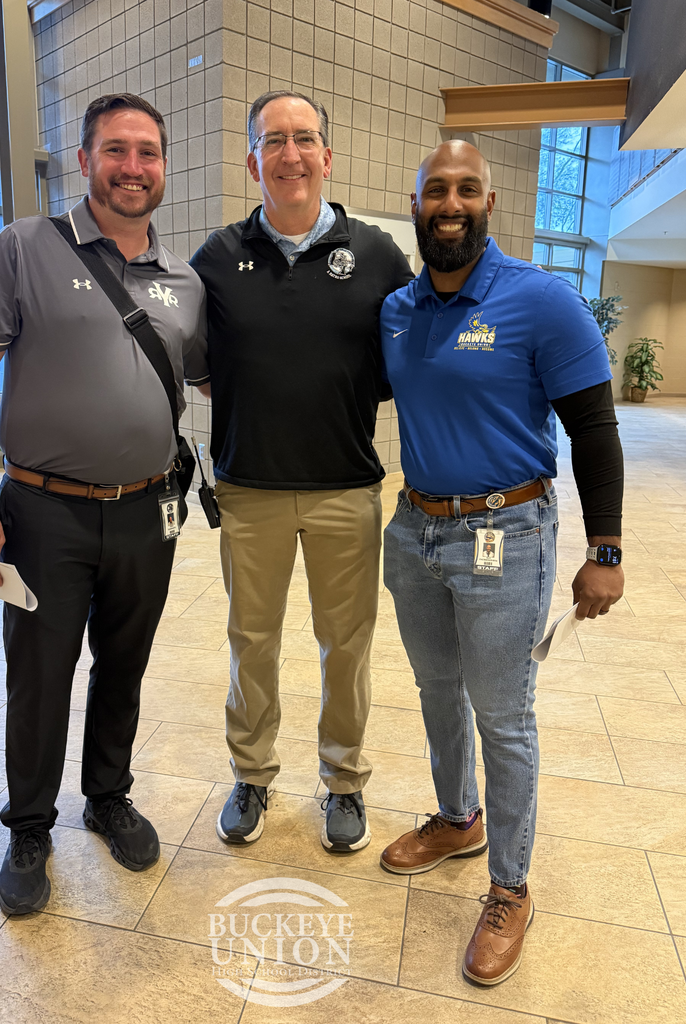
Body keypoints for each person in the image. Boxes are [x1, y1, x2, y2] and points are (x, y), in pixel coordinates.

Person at [0, 93, 208, 916]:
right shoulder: (23, 248)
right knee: (41, 675)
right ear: (84, 159)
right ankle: (28, 826)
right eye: (116, 150)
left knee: (123, 665)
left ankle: (108, 796)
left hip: (147, 509)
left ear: (165, 165)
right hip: (42, 512)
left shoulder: (184, 281)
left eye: (149, 152)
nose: (134, 167)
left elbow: (208, 381)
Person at [378, 140, 624, 984]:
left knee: (502, 714)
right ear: (414, 206)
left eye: (466, 190)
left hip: (505, 536)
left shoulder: (540, 302)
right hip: (414, 533)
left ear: (490, 203)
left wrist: (606, 550)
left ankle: (510, 887)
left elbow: (593, 428)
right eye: (434, 191)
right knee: (435, 690)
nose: (450, 203)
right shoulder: (398, 310)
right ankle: (456, 818)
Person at [190, 91, 414, 853]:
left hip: (346, 488)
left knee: (344, 644)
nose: (290, 154)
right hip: (248, 489)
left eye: (304, 138)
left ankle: (344, 782)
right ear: (252, 160)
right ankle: (251, 773)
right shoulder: (216, 258)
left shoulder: (379, 255)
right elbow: (199, 364)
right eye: (273, 141)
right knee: (250, 640)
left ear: (327, 156)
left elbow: (401, 366)